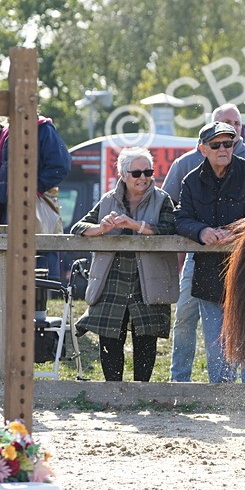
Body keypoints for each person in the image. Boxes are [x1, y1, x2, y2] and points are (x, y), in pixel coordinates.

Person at [162, 104, 245, 382]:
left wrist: (234, 231)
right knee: (208, 330)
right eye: (216, 144)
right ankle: (210, 388)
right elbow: (178, 216)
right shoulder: (189, 174)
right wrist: (202, 231)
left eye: (229, 142)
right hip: (205, 263)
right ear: (202, 148)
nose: (223, 148)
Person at [71, 148, 179, 382]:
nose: (143, 177)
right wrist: (101, 229)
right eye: (136, 172)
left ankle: (142, 392)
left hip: (148, 280)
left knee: (146, 339)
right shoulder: (108, 199)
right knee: (109, 338)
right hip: (112, 278)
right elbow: (78, 227)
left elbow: (171, 229)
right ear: (122, 174)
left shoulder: (163, 199)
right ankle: (113, 392)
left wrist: (135, 225)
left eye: (148, 171)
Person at [0, 112, 71, 275]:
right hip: (6, 212)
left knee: (38, 271)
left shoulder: (44, 129)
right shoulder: (5, 132)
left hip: (33, 209)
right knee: (8, 272)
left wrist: (30, 189)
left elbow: (60, 166)